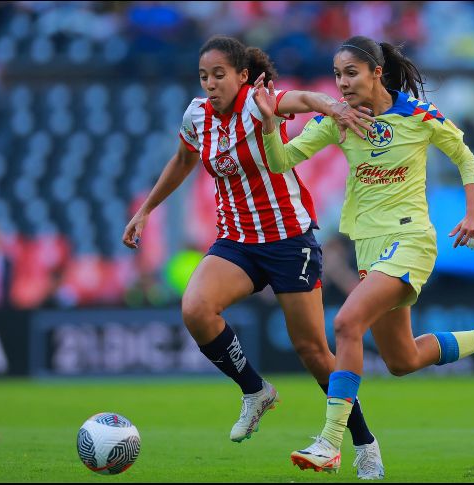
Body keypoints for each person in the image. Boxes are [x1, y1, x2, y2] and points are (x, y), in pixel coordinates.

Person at [253, 35, 474, 474]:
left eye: (351, 73)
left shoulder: (417, 114)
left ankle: (329, 442)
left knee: (345, 322)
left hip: (412, 240)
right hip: (369, 247)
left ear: (376, 73)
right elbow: (282, 161)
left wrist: (472, 213)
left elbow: (465, 156)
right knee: (402, 360)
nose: (342, 84)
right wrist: (270, 124)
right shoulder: (337, 121)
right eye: (338, 74)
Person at [122, 36, 385, 479]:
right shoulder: (196, 116)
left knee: (313, 350)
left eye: (219, 75)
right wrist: (146, 210)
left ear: (242, 75)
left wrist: (332, 107)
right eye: (204, 76)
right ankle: (255, 390)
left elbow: (302, 98)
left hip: (288, 239)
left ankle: (364, 444)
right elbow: (184, 161)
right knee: (196, 309)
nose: (210, 84)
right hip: (237, 241)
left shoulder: (259, 103)